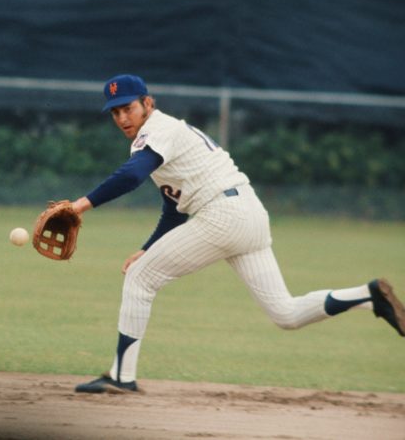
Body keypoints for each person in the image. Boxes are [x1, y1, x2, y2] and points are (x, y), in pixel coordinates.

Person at [60, 74, 404, 393]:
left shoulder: (158, 130)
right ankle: (368, 295)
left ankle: (122, 377)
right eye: (115, 112)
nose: (122, 118)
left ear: (148, 104)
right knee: (286, 313)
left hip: (223, 215)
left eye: (129, 108)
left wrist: (80, 205)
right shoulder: (163, 137)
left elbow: (130, 176)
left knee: (139, 278)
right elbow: (174, 207)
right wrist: (147, 248)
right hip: (248, 214)